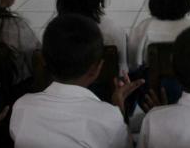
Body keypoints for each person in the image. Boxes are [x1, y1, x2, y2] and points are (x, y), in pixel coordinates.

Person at [10, 14, 143, 148]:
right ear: (96, 68)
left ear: (43, 60)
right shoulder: (109, 118)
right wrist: (119, 106)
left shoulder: (21, 107)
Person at [56, 0, 127, 73]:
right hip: (107, 89)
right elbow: (124, 68)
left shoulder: (53, 31)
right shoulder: (113, 30)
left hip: (66, 87)